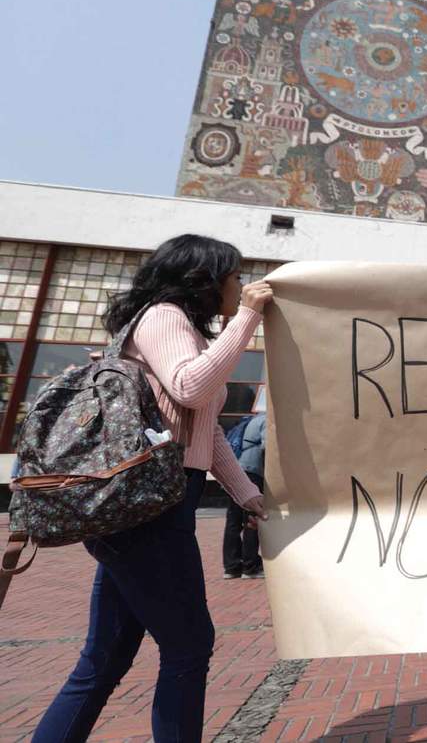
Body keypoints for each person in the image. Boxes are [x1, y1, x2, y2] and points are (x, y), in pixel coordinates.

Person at [33, 234, 272, 743]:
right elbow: (191, 387)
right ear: (204, 280)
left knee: (105, 658)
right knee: (189, 647)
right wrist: (247, 320)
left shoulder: (179, 327)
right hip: (151, 511)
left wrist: (243, 492)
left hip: (152, 504)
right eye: (235, 277)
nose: (242, 285)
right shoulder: (165, 316)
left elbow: (198, 428)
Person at [222, 411, 267, 578]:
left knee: (233, 521)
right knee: (252, 518)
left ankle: (231, 567)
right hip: (252, 473)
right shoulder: (266, 420)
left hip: (234, 472)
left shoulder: (248, 422)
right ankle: (251, 566)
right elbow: (267, 448)